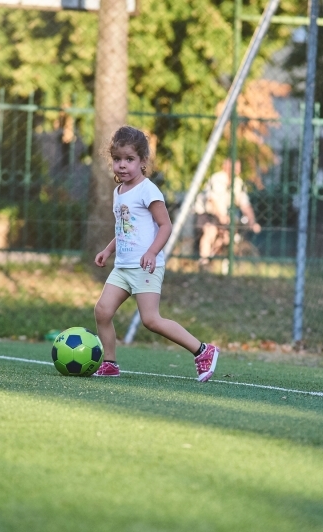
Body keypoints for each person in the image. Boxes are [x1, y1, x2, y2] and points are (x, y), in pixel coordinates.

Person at [93, 125, 220, 381]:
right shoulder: (119, 192)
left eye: (129, 159)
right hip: (123, 267)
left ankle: (203, 350)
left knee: (150, 320)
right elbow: (125, 230)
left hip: (145, 267)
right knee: (102, 311)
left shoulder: (148, 189)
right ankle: (110, 362)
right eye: (117, 159)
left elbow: (165, 225)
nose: (122, 165)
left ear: (142, 161)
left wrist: (152, 252)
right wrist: (108, 250)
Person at [194, 158, 261, 265]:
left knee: (228, 237)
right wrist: (221, 216)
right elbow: (212, 200)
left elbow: (245, 204)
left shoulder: (238, 183)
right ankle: (204, 261)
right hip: (207, 213)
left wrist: (252, 221)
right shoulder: (217, 179)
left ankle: (218, 259)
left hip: (225, 215)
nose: (237, 171)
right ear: (226, 167)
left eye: (238, 168)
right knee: (210, 232)